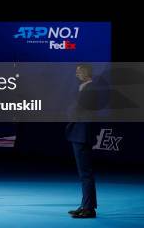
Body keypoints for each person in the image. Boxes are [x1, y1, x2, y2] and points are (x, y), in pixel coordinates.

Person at [65, 63, 97, 218]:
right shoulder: (84, 88)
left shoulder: (90, 89)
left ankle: (89, 209)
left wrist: (72, 112)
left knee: (85, 173)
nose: (76, 74)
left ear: (86, 73)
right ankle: (86, 205)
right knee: (84, 173)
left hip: (82, 134)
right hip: (79, 133)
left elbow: (78, 110)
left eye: (79, 71)